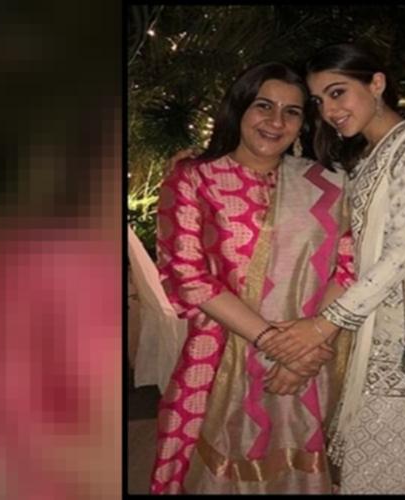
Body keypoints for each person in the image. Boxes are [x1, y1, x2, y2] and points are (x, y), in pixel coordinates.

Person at [258, 43, 405, 494]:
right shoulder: (369, 158)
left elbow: (402, 253)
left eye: (338, 93)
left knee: (392, 470)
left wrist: (322, 326)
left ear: (377, 83)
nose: (329, 111)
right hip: (371, 330)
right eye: (319, 101)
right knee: (380, 470)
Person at [150, 62, 352, 494]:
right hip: (218, 350)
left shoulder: (327, 183)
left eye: (291, 112)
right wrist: (275, 344)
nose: (276, 121)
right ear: (239, 109)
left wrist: (310, 344)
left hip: (312, 352)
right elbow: (188, 275)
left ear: (304, 123)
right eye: (263, 106)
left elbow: (350, 268)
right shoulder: (194, 177)